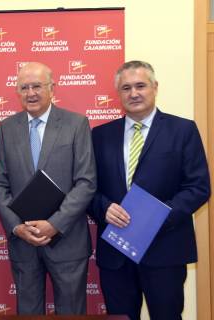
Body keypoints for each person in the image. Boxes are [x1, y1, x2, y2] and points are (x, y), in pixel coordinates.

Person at [89, 60, 210, 320]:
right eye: (126, 88)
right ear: (118, 93)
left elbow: (198, 187)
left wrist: (154, 218)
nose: (134, 93)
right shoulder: (100, 135)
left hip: (164, 249)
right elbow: (88, 187)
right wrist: (104, 208)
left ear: (155, 87)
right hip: (116, 253)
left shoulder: (183, 130)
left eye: (141, 86)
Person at [0, 62, 96, 315]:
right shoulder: (6, 128)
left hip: (67, 240)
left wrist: (55, 224)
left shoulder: (76, 124)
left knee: (71, 312)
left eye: (37, 86)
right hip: (23, 243)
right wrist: (17, 227)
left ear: (52, 88)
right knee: (27, 312)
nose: (31, 93)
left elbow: (86, 182)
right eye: (24, 87)